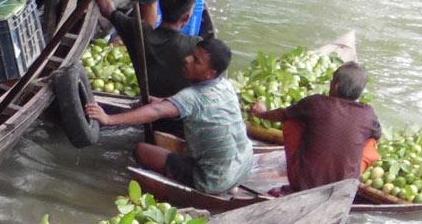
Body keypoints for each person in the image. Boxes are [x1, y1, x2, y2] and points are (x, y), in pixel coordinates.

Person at [82, 36, 252, 196]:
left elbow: (155, 113)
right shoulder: (226, 86)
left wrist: (109, 119)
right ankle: (230, 184)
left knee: (141, 150)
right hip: (244, 165)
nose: (187, 59)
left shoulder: (192, 97)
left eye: (196, 61)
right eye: (192, 55)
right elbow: (171, 106)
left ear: (210, 73)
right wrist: (164, 102)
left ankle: (158, 191)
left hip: (213, 180)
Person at [248, 61, 381, 192]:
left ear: (335, 86)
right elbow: (377, 135)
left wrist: (261, 113)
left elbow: (283, 114)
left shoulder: (315, 103)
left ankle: (297, 180)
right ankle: (347, 178)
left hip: (305, 183)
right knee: (371, 143)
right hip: (345, 189)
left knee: (292, 123)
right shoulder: (368, 113)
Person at [95, 0, 207, 100]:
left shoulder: (137, 30)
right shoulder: (196, 46)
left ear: (161, 7)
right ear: (186, 17)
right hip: (178, 110)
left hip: (148, 102)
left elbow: (107, 9)